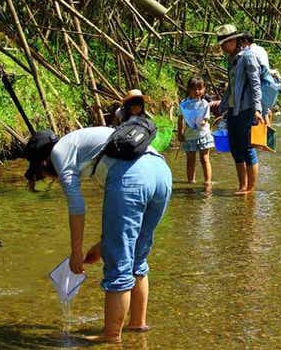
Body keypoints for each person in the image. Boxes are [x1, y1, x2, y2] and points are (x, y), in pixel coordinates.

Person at [24, 127, 171, 343]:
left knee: (118, 265)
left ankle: (111, 337)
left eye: (42, 174)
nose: (48, 177)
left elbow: (76, 206)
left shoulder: (58, 153)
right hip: (161, 172)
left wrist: (76, 252)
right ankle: (137, 325)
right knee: (137, 257)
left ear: (42, 161)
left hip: (132, 176)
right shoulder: (78, 141)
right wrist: (104, 243)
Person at [216, 24, 263, 194]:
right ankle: (242, 185)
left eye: (224, 44)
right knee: (235, 148)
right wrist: (222, 106)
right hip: (233, 109)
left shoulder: (248, 56)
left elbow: (255, 84)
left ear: (234, 41)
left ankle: (250, 188)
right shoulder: (231, 59)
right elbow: (231, 86)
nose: (222, 48)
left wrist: (258, 109)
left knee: (247, 148)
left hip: (247, 108)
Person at [177, 76, 214, 187]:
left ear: (204, 89)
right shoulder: (184, 104)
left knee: (205, 159)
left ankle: (207, 182)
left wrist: (203, 121)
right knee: (190, 160)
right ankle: (190, 182)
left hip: (203, 134)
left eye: (200, 88)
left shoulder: (205, 104)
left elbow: (206, 118)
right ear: (189, 89)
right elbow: (180, 120)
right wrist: (180, 133)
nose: (197, 91)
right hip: (189, 136)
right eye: (194, 89)